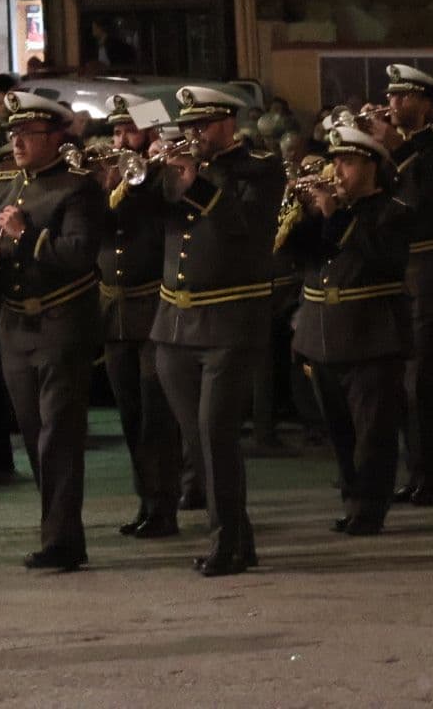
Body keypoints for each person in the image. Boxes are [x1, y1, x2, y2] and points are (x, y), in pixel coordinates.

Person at [146, 86, 282, 576]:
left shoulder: (261, 167)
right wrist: (136, 178)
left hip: (230, 322)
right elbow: (136, 223)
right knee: (196, 438)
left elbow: (244, 225)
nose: (195, 134)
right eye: (189, 126)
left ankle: (225, 542)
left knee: (215, 434)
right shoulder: (173, 170)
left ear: (229, 123)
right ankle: (239, 539)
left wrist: (198, 182)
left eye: (204, 125)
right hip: (174, 325)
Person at [0, 92, 103, 571]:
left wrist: (26, 236)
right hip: (16, 326)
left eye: (28, 134)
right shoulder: (7, 186)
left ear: (55, 138)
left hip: (60, 323)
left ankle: (63, 539)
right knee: (33, 435)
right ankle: (59, 531)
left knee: (58, 437)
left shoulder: (77, 188)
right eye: (14, 133)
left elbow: (79, 253)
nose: (18, 141)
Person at [280, 126, 409, 536]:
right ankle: (352, 498)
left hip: (371, 336)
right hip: (322, 335)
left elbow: (382, 260)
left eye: (348, 162)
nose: (337, 170)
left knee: (373, 432)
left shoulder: (392, 211)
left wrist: (336, 216)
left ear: (371, 166)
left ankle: (370, 507)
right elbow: (295, 256)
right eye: (335, 160)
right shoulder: (325, 212)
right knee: (340, 431)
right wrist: (301, 212)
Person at [374, 64, 433, 506]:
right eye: (391, 96)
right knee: (390, 379)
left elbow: (422, 198)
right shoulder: (386, 148)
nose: (393, 104)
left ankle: (429, 476)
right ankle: (402, 472)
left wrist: (395, 151)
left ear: (426, 103)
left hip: (425, 266)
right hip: (387, 269)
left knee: (418, 378)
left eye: (404, 96)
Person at [98, 94, 181, 539]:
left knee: (156, 414)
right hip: (116, 311)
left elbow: (160, 210)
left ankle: (164, 505)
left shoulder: (158, 178)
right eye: (115, 131)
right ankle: (146, 501)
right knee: (130, 413)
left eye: (128, 130)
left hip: (154, 307)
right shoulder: (105, 178)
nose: (119, 139)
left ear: (149, 133)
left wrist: (146, 168)